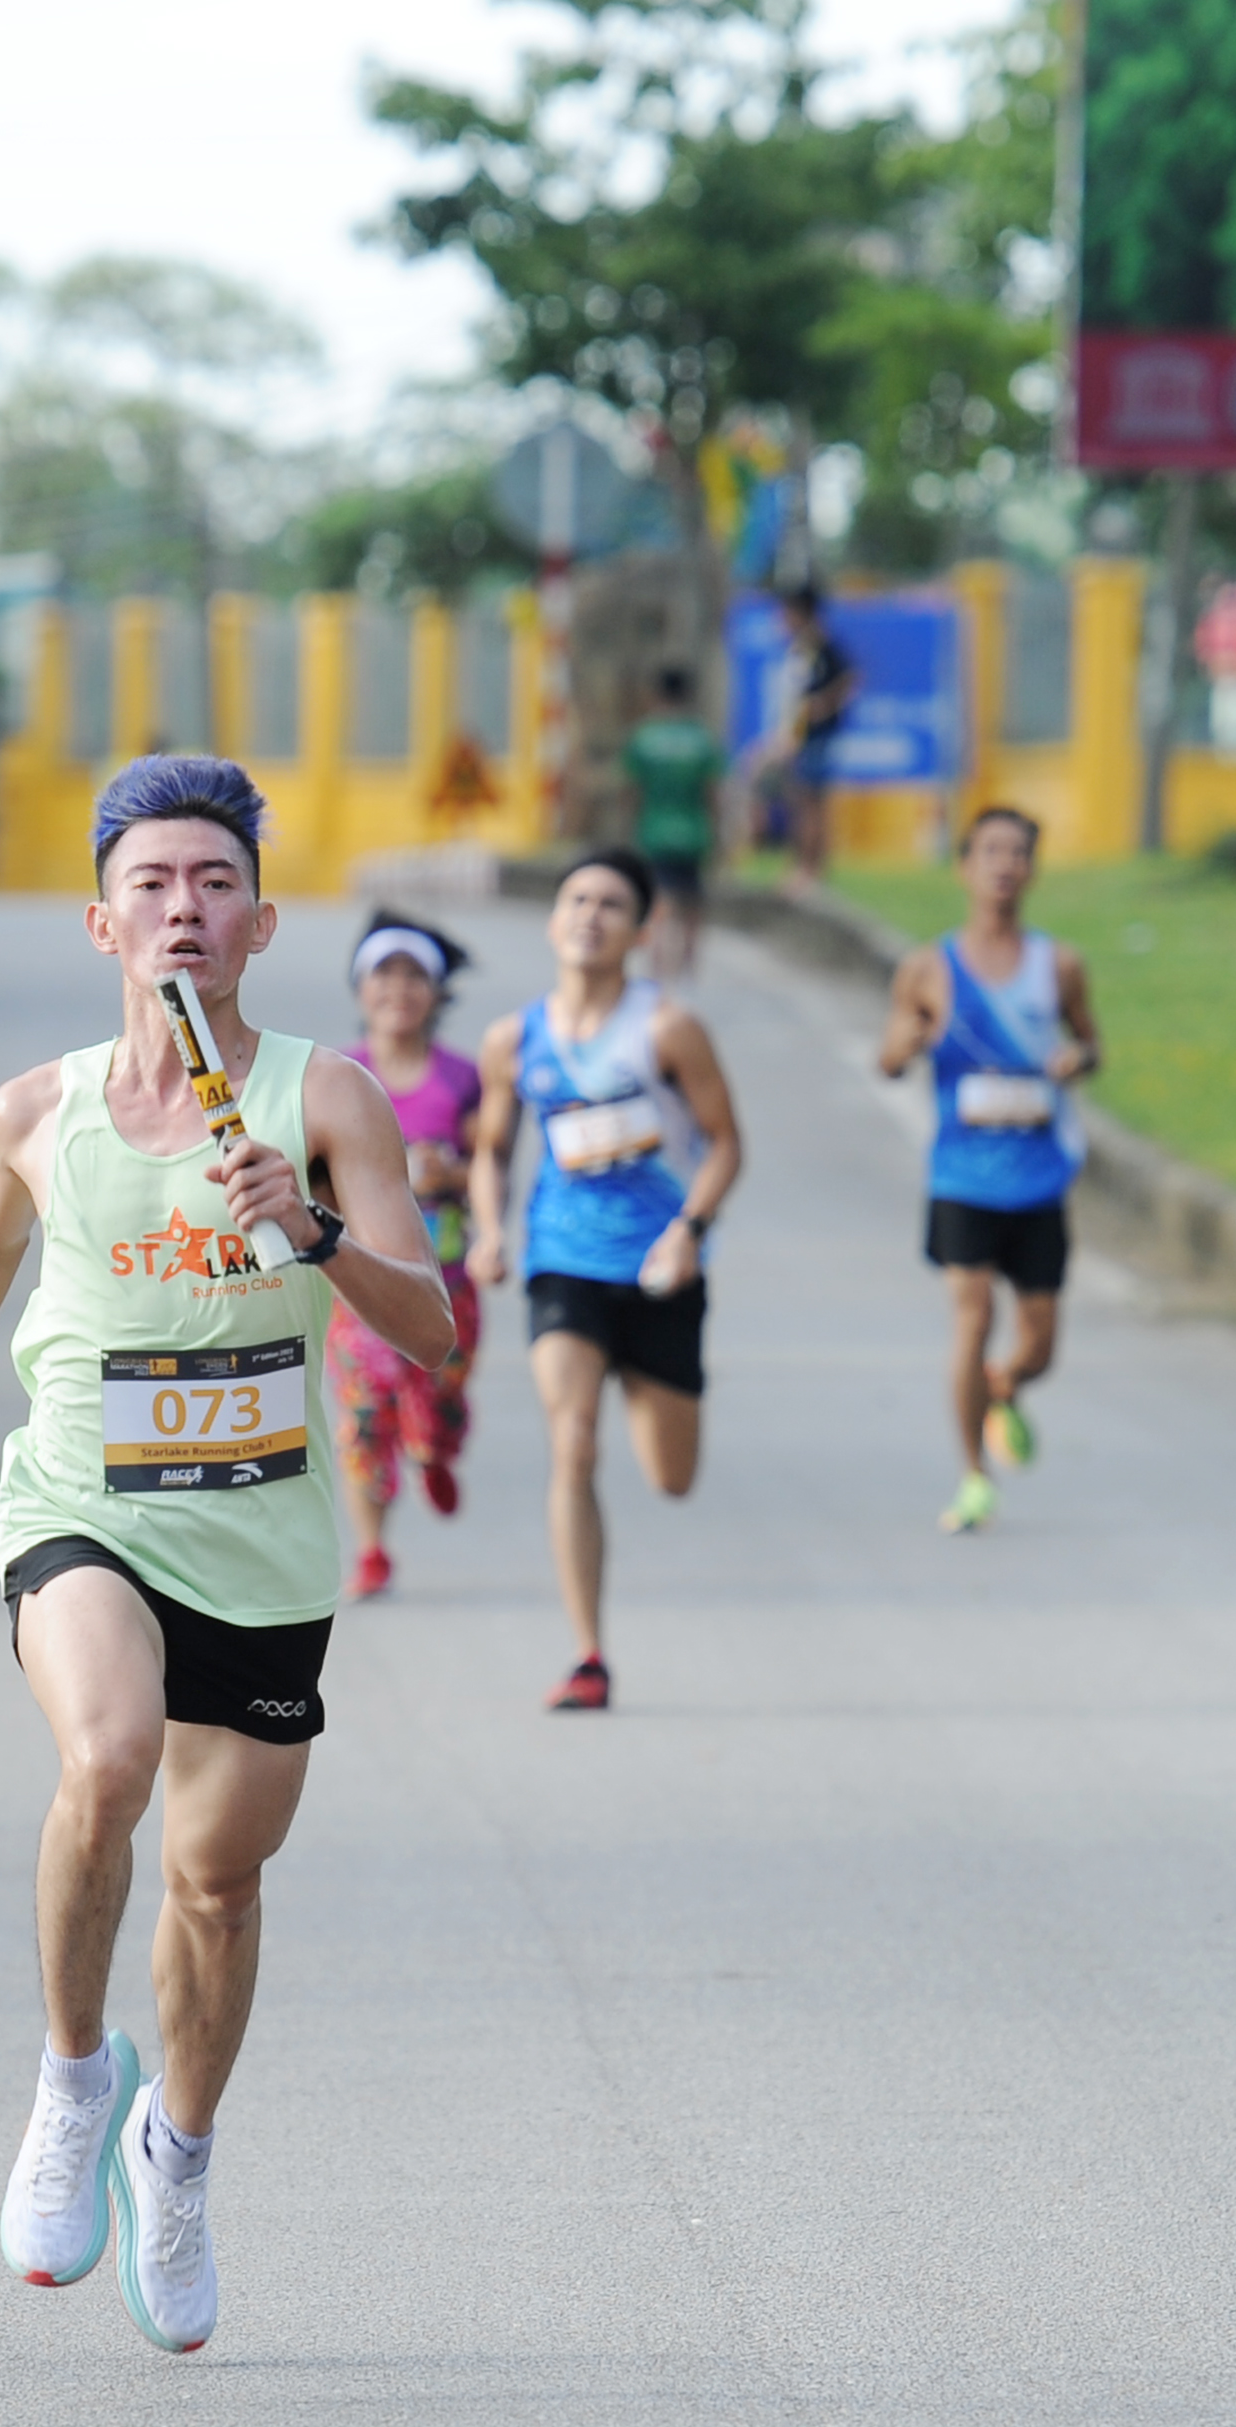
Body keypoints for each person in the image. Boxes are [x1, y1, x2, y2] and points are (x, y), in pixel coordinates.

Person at [0, 754, 448, 2356]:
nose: (183, 910)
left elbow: (432, 1329)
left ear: (260, 923)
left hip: (261, 1539)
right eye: (151, 885)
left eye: (213, 884)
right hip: (82, 1504)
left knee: (216, 1883)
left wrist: (311, 1231)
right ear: (101, 922)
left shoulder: (326, 1102)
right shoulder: (33, 1110)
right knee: (107, 1757)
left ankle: (173, 2154)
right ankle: (71, 2082)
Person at [467, 850, 746, 1712]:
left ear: (641, 931)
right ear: (554, 920)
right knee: (573, 1443)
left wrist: (690, 1230)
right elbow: (491, 1150)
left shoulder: (667, 1029)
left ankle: (639, 1376)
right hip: (564, 1263)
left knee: (671, 1476)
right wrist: (489, 1231)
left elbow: (725, 1144)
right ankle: (588, 1652)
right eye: (576, 899)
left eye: (611, 904)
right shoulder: (513, 1040)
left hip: (661, 1267)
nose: (590, 915)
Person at [876, 807, 1099, 1534]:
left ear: (1032, 870)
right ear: (964, 868)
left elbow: (1090, 1043)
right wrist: (910, 1041)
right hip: (962, 1177)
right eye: (991, 852)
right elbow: (888, 1058)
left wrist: (1076, 1060)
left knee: (1040, 1345)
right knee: (972, 1316)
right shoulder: (927, 968)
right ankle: (974, 1475)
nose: (1004, 865)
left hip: (1038, 1178)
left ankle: (1002, 1385)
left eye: (1017, 853)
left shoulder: (1058, 966)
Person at [330, 912, 485, 1599]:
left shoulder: (463, 1079)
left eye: (414, 975)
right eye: (383, 974)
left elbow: (491, 1170)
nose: (398, 989)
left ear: (438, 992)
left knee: (436, 1404)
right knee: (366, 1416)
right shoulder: (335, 1077)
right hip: (357, 1282)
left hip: (444, 1279)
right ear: (360, 988)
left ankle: (435, 1450)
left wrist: (452, 1176)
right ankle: (371, 1550)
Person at [618, 665, 725, 980]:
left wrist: (627, 829)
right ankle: (688, 963)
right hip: (694, 831)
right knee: (692, 899)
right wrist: (719, 833)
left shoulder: (643, 737)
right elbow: (713, 793)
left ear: (656, 694)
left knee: (660, 898)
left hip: (655, 830)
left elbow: (631, 791)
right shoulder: (702, 739)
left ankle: (658, 962)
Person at [765, 584, 856, 892]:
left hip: (816, 738)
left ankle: (809, 870)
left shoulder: (821, 646)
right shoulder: (800, 648)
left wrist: (823, 706)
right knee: (801, 804)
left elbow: (849, 678)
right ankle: (805, 868)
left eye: (787, 613)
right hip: (799, 738)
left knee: (810, 805)